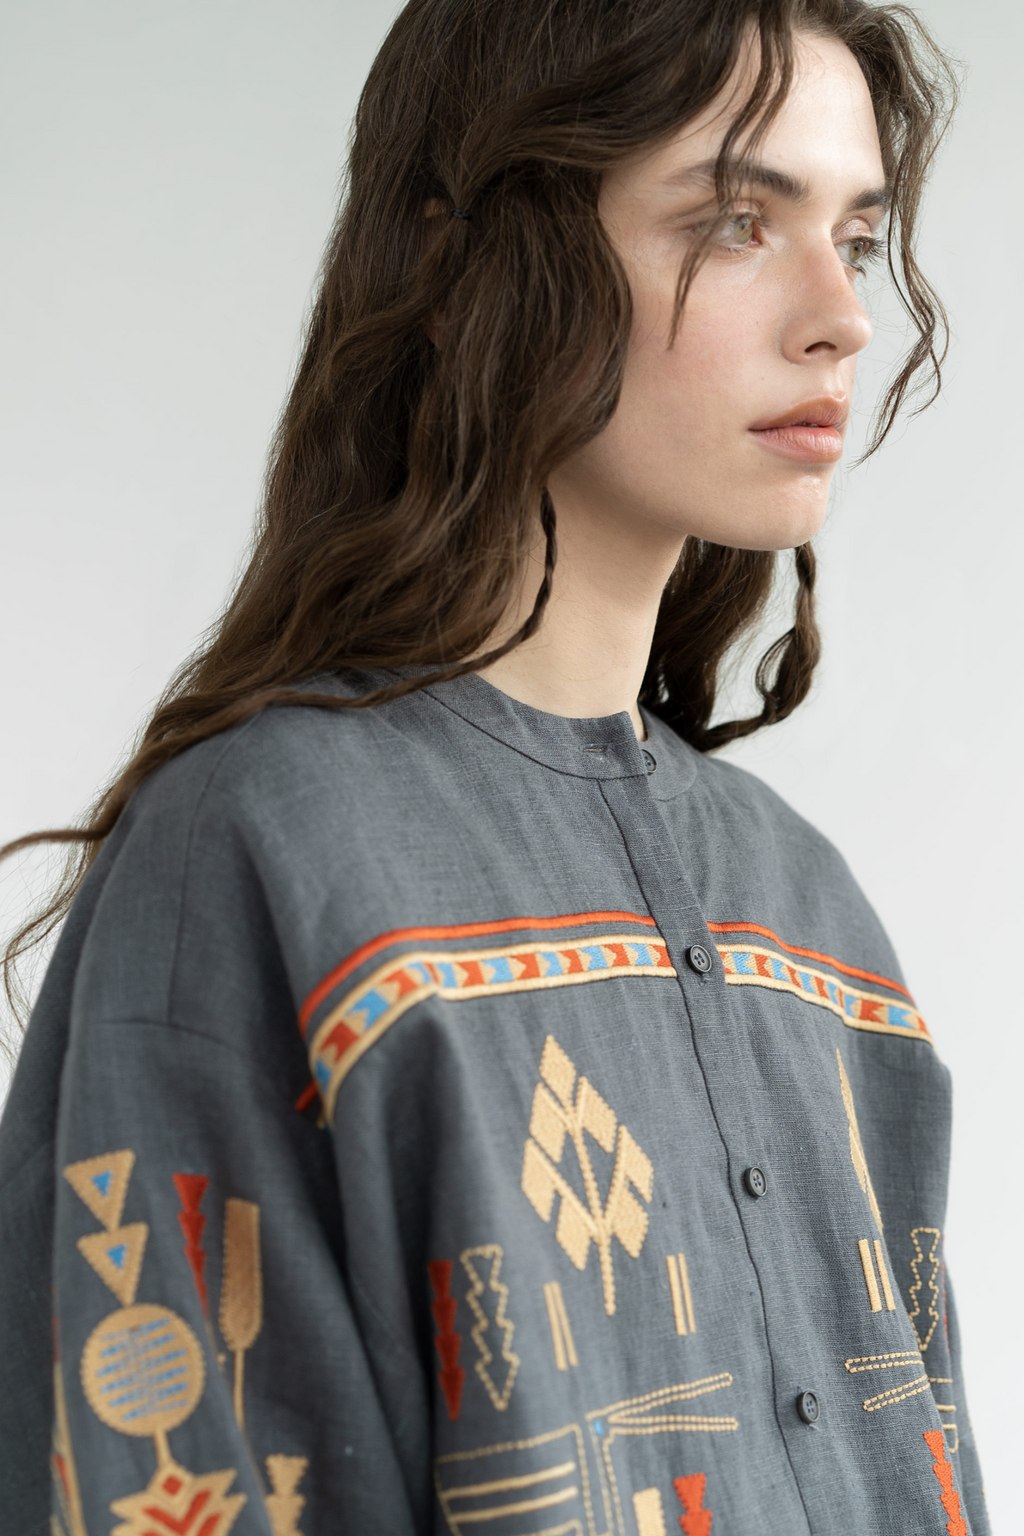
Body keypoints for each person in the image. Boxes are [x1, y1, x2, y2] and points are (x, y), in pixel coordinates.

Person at [0, 0, 987, 1531]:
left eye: (855, 239)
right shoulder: (259, 855)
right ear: (468, 268)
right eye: (737, 220)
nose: (840, 315)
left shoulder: (815, 917)